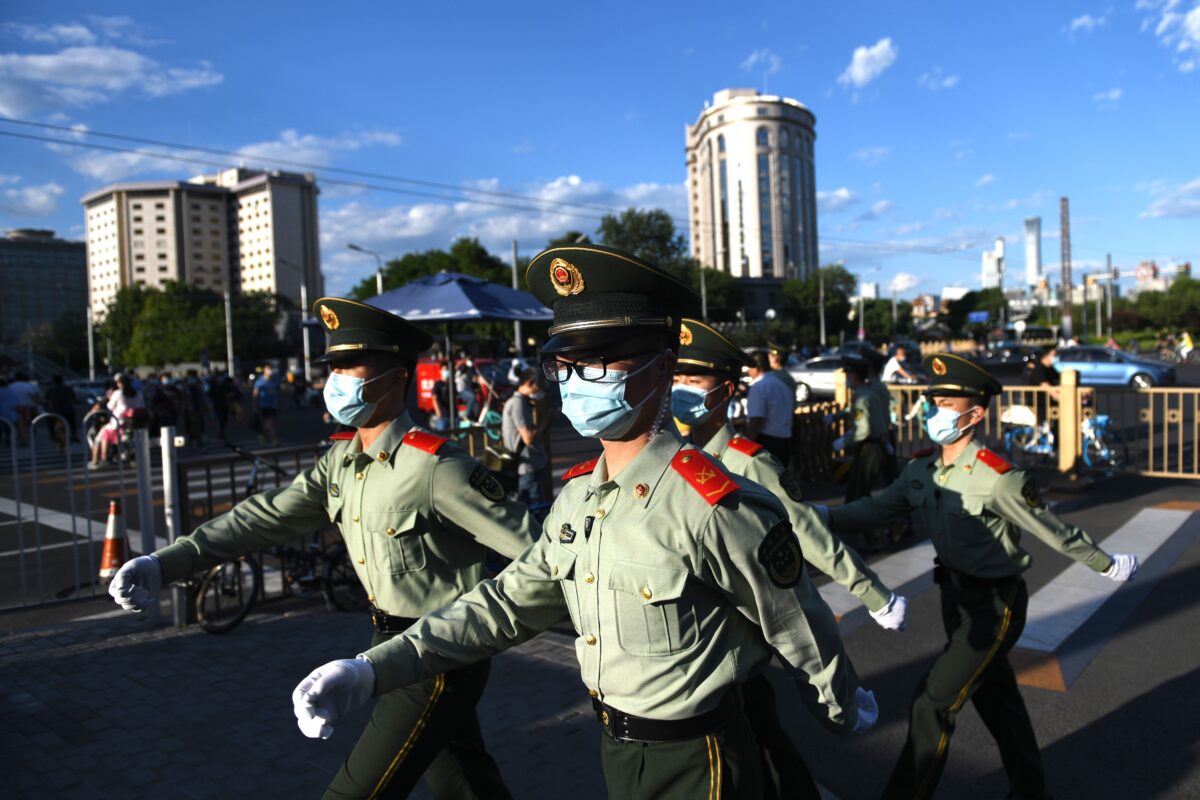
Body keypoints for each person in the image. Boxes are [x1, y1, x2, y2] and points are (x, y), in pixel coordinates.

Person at [290, 244, 876, 798]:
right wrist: (372, 669)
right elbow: (505, 604)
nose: (575, 380)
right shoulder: (577, 498)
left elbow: (798, 624)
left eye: (599, 361)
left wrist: (842, 707)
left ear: (662, 367)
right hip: (615, 751)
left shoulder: (712, 502)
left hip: (700, 760)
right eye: (563, 363)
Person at [108, 296, 536, 799]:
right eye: (333, 367)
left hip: (440, 657)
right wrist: (165, 562)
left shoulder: (435, 466)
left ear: (398, 377)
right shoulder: (342, 460)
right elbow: (263, 517)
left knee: (356, 790)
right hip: (385, 644)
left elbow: (534, 550)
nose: (337, 380)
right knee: (465, 784)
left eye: (351, 366)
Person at [815, 353, 1139, 800]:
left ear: (975, 413)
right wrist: (822, 517)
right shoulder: (922, 468)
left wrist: (1106, 563)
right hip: (954, 597)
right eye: (933, 402)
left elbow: (1053, 530)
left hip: (995, 605)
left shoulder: (998, 477)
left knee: (932, 702)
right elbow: (880, 508)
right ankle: (1030, 788)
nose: (934, 412)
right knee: (995, 697)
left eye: (946, 403)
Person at [672, 317, 905, 800]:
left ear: (727, 391)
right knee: (763, 740)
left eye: (695, 381)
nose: (681, 390)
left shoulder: (748, 462)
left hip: (739, 636)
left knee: (755, 740)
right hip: (701, 642)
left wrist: (872, 593)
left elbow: (809, 534)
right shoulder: (672, 456)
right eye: (675, 378)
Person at [501, 367, 552, 512]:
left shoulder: (520, 401)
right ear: (529, 383)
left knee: (531, 508)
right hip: (528, 467)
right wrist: (546, 420)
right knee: (534, 510)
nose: (541, 391)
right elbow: (528, 437)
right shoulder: (518, 403)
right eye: (539, 386)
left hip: (527, 465)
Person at [745, 350, 795, 463]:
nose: (748, 372)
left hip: (767, 442)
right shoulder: (783, 385)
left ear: (755, 368)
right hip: (786, 441)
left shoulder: (759, 387)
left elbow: (756, 420)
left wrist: (747, 445)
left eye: (749, 368)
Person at [90, 374, 142, 469]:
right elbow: (141, 405)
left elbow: (110, 406)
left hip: (117, 422)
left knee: (100, 438)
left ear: (120, 383)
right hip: (134, 422)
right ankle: (132, 458)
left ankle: (99, 460)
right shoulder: (137, 393)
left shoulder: (118, 393)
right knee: (128, 443)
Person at [43, 374, 78, 449]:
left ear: (53, 381)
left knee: (50, 423)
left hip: (55, 412)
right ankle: (74, 434)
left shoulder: (50, 389)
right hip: (68, 411)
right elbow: (74, 399)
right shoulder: (68, 388)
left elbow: (46, 401)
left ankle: (53, 435)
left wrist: (45, 406)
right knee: (72, 422)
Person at [8, 371, 40, 446]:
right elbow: (33, 396)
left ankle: (21, 436)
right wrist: (36, 404)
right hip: (26, 406)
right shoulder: (27, 386)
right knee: (25, 423)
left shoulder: (10, 386)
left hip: (15, 406)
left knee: (19, 423)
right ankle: (23, 438)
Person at [253, 364, 280, 445]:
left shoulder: (273, 380)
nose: (270, 371)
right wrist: (254, 407)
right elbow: (255, 395)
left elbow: (277, 390)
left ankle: (261, 432)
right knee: (270, 422)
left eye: (270, 369)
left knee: (270, 423)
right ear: (264, 370)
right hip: (264, 405)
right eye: (268, 369)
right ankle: (274, 440)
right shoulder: (260, 381)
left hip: (273, 405)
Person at [429, 364, 452, 431]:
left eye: (447, 370)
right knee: (443, 434)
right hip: (442, 414)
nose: (446, 371)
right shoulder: (438, 384)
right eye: (444, 370)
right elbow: (434, 399)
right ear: (440, 371)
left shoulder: (451, 383)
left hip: (451, 414)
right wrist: (438, 412)